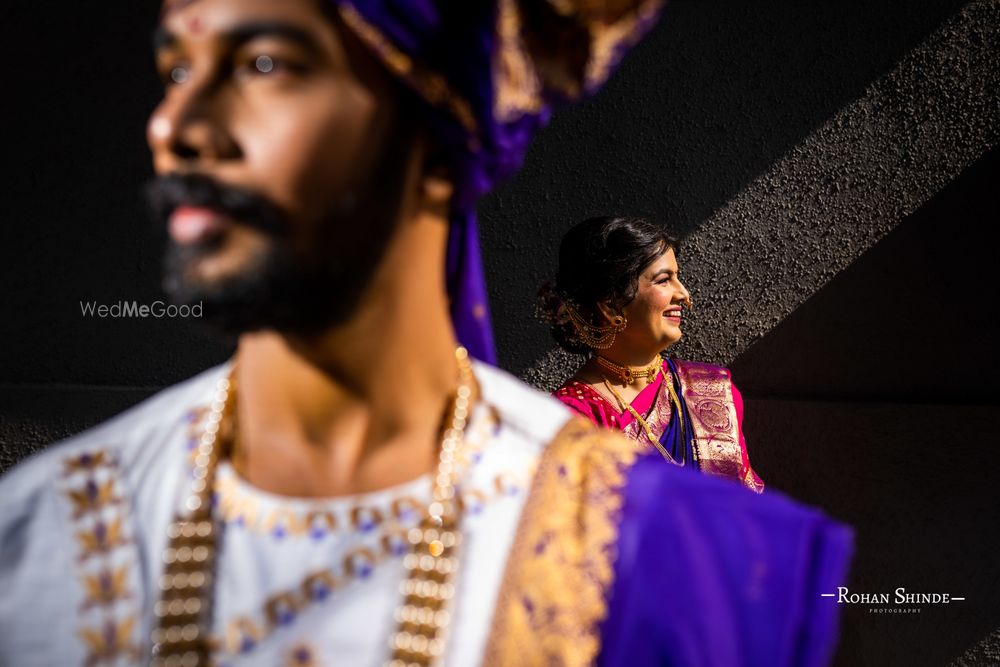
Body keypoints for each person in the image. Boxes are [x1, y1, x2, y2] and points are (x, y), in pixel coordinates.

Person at [0, 1, 850, 666]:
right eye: (176, 69)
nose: (174, 125)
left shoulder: (691, 566)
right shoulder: (37, 542)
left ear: (431, 125)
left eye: (263, 64)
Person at [544, 216, 765, 492]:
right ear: (610, 306)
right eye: (664, 281)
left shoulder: (712, 390)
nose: (684, 294)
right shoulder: (575, 419)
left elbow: (747, 508)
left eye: (678, 278)